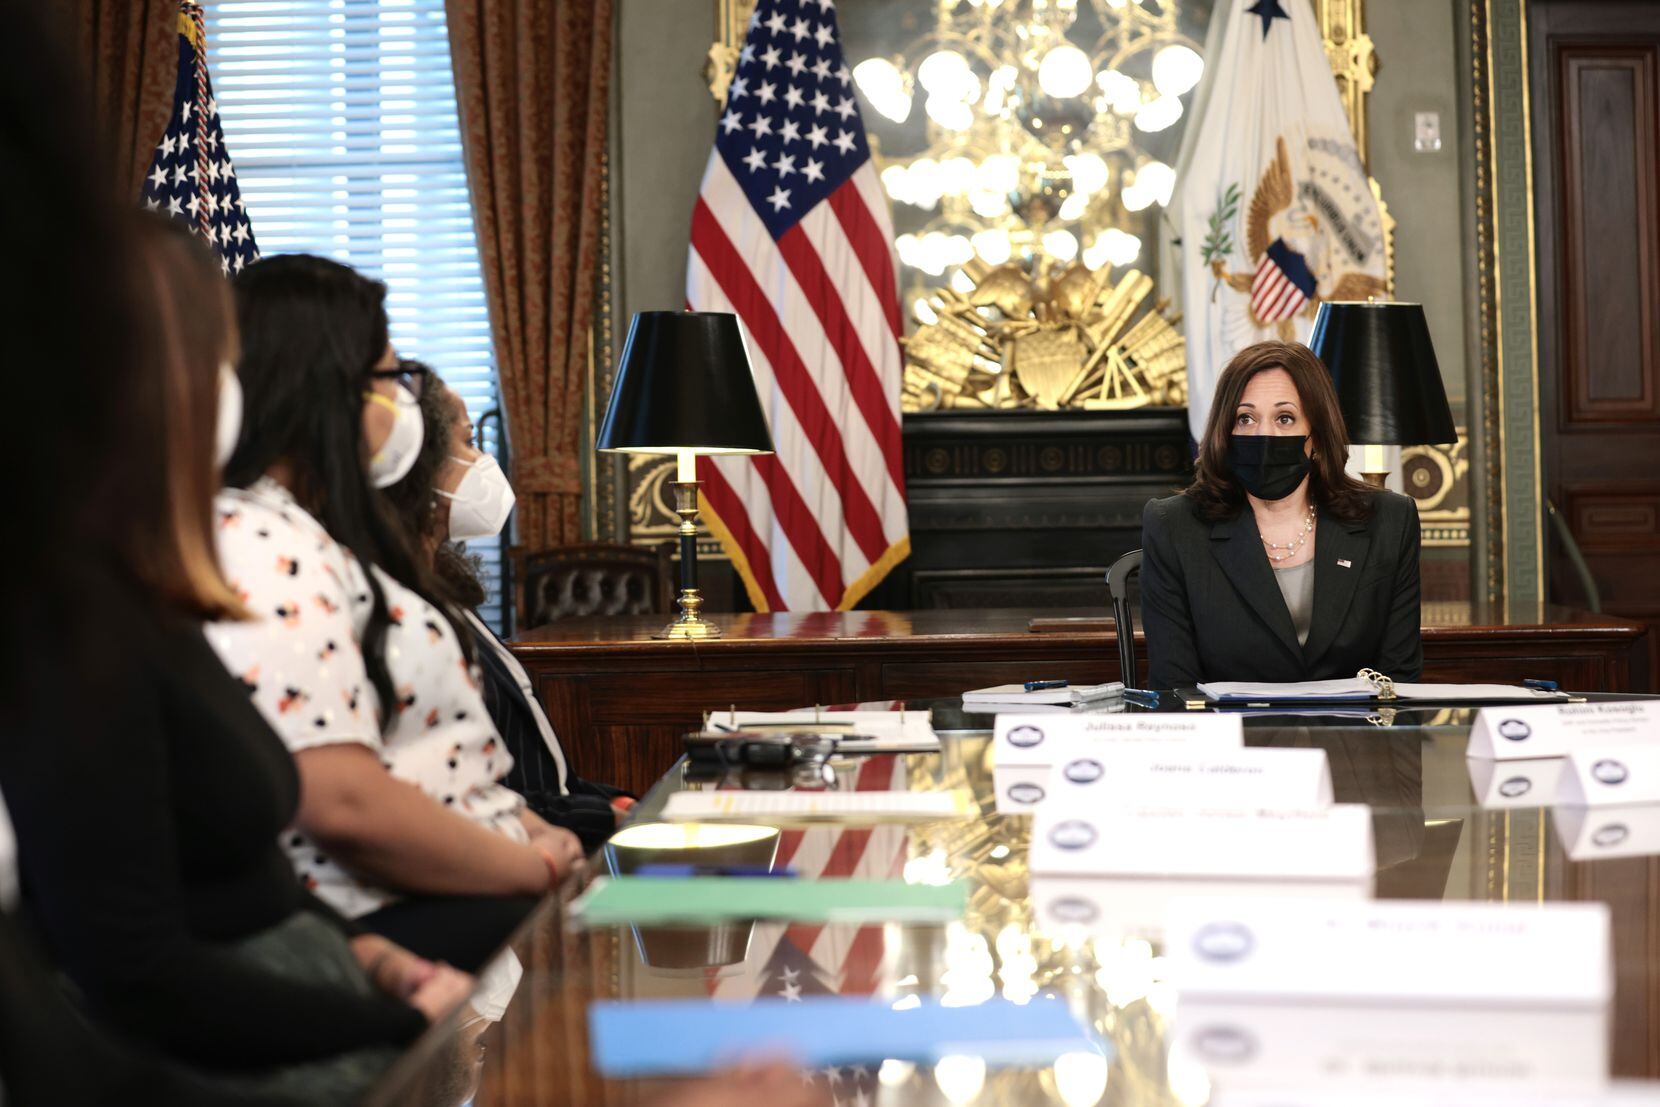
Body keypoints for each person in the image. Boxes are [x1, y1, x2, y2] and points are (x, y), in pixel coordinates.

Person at [0, 208, 473, 1104]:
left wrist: (371, 959)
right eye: (218, 355)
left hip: (335, 1005)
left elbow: (240, 865)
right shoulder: (69, 620)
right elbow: (135, 972)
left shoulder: (143, 591)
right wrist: (400, 1024)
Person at [206, 253, 585, 972]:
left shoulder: (316, 534)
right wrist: (530, 864)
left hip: (481, 886)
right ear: (328, 389)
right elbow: (342, 803)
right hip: (408, 917)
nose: (401, 402)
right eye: (388, 378)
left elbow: (428, 759)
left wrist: (533, 828)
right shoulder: (261, 546)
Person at [382, 373, 633, 852]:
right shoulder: (405, 611)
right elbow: (468, 795)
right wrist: (609, 815)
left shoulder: (449, 595)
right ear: (417, 461)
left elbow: (552, 779)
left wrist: (621, 803)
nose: (483, 462)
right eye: (469, 442)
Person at [1138, 340, 1423, 688]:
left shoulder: (1389, 520)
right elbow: (1173, 689)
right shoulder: (1175, 526)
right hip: (1234, 739)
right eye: (1246, 418)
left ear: (1316, 434)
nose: (1264, 435)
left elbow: (1400, 682)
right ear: (1226, 432)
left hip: (1353, 736)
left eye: (1285, 418)